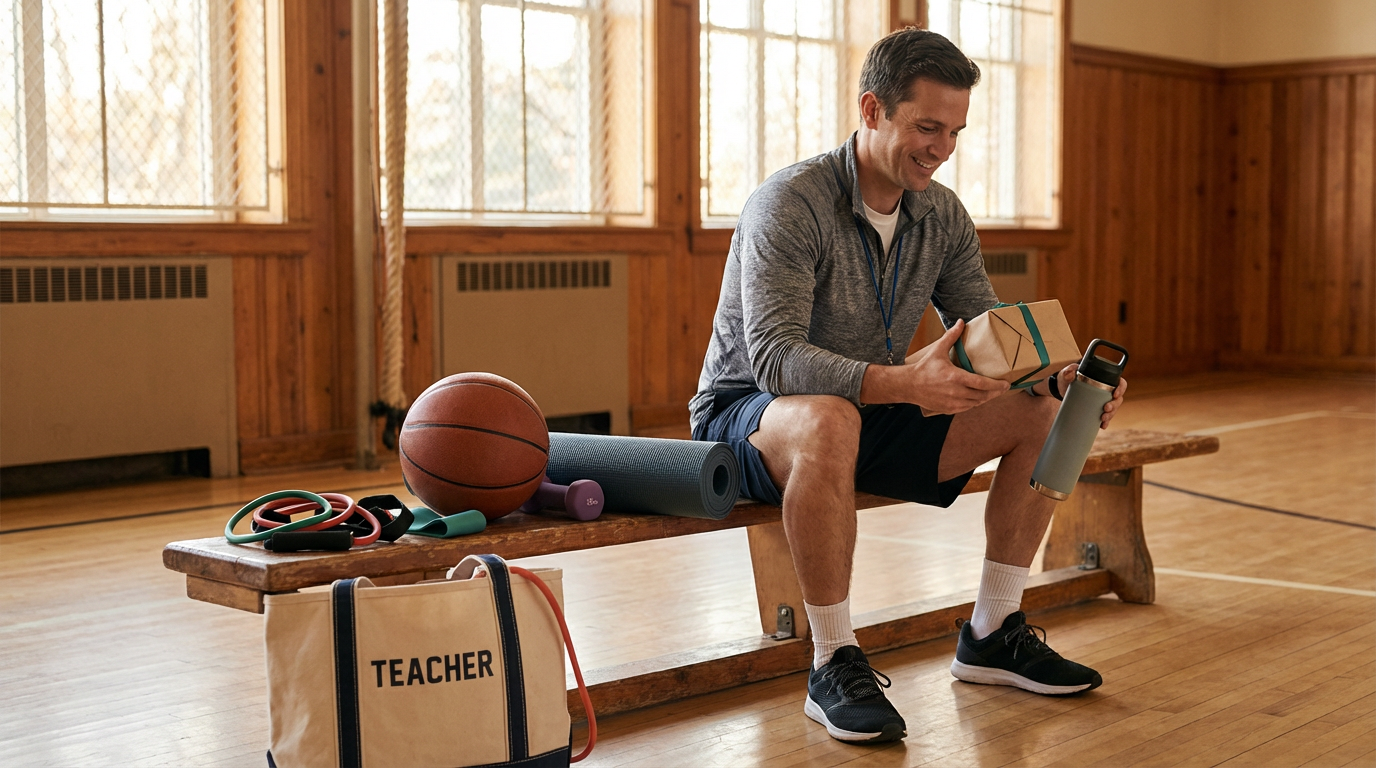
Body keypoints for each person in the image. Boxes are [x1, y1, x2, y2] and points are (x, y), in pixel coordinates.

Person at [689, 28, 1127, 745]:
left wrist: (1059, 378)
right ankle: (833, 660)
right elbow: (773, 359)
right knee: (829, 418)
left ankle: (992, 633)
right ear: (872, 109)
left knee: (1043, 412)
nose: (942, 147)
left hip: (873, 406)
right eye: (927, 127)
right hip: (751, 416)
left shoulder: (941, 213)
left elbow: (988, 334)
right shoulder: (790, 202)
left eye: (954, 131)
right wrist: (902, 383)